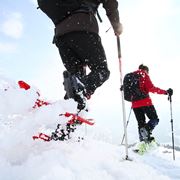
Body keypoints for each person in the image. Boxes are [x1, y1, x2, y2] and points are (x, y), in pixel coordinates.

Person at [53, 0, 123, 111]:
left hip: (61, 36)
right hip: (83, 27)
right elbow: (110, 3)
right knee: (101, 71)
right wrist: (117, 26)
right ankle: (80, 94)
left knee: (76, 80)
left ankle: (66, 113)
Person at [131, 64, 173, 142]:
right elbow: (151, 88)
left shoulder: (132, 77)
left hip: (135, 104)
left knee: (141, 123)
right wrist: (165, 92)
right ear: (146, 70)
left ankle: (143, 141)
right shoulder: (144, 74)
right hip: (145, 102)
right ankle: (146, 131)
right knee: (154, 119)